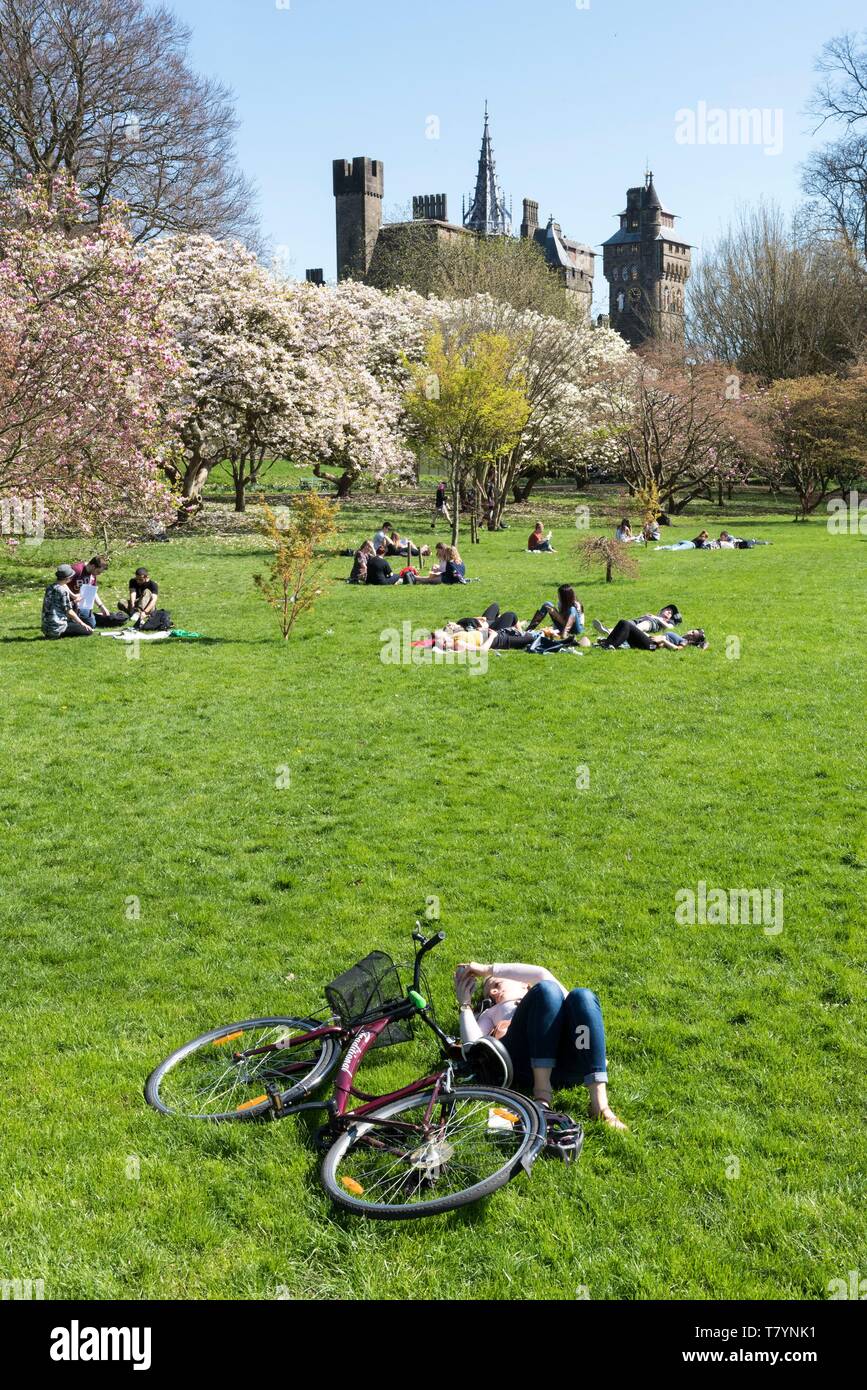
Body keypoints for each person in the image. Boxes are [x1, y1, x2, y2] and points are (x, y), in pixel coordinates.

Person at [455, 961, 627, 1129]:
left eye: (498, 983)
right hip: (524, 1064)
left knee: (583, 996)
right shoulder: (491, 1012)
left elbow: (540, 974)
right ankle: (542, 1095)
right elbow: (474, 1047)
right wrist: (465, 1005)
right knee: (547, 991)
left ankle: (600, 1105)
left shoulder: (549, 992)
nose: (493, 991)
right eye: (489, 992)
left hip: (569, 1064)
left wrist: (487, 970)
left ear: (525, 985)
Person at [41, 565, 96, 638]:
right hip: (57, 628)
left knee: (75, 623)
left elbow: (57, 605)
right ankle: (60, 634)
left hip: (46, 627)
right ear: (67, 579)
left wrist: (74, 602)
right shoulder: (63, 591)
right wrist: (82, 624)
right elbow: (69, 611)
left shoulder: (50, 587)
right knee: (88, 630)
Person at [596, 621, 707, 651]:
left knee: (626, 624)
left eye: (693, 636)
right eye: (692, 631)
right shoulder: (679, 636)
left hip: (652, 646)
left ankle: (609, 644)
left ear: (693, 641)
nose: (691, 634)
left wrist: (664, 639)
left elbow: (677, 649)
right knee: (625, 627)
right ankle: (607, 643)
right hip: (649, 641)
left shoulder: (684, 641)